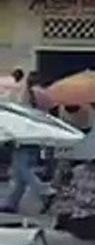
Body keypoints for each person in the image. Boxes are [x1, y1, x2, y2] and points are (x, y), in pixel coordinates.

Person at [1, 71, 53, 213]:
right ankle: (12, 202)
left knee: (22, 168)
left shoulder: (25, 95)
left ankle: (44, 191)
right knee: (20, 171)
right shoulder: (44, 96)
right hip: (37, 135)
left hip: (23, 135)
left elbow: (18, 114)